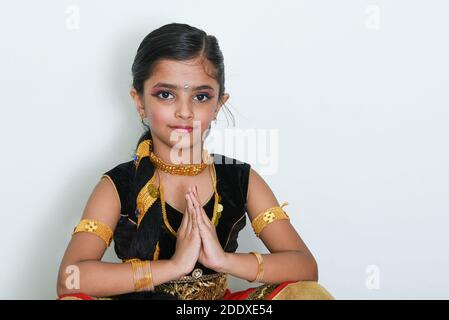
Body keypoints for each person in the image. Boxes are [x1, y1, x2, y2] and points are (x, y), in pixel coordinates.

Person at [56, 22, 334, 300]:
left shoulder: (239, 178)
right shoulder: (118, 185)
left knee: (307, 295)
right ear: (139, 101)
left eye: (200, 97)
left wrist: (223, 260)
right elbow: (70, 280)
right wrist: (174, 266)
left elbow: (306, 267)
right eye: (166, 95)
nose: (185, 112)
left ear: (218, 105)